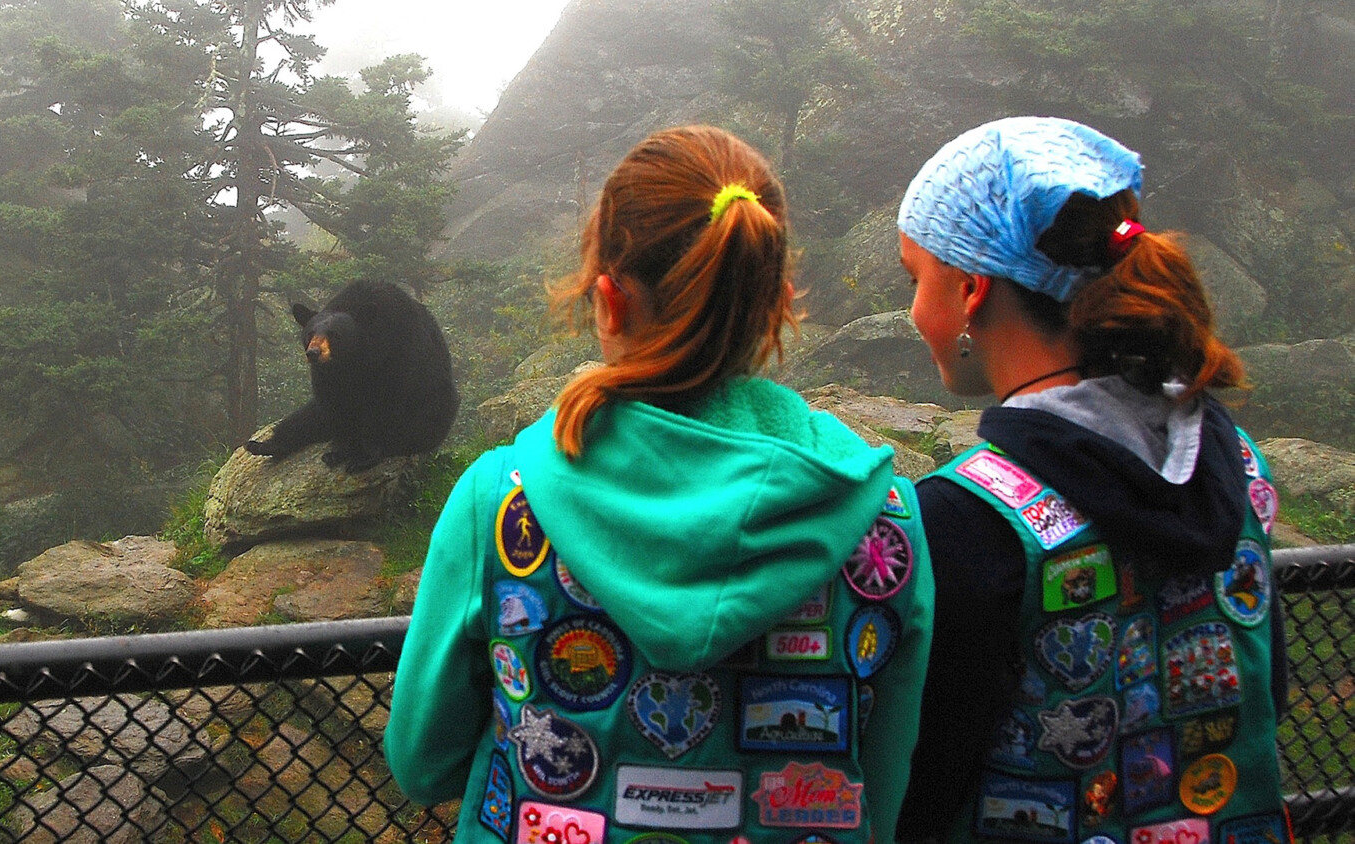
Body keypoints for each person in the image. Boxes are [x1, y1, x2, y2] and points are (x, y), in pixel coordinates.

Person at [386, 124, 934, 844]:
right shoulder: (883, 516)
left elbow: (421, 765)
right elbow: (887, 782)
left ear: (609, 299)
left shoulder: (501, 501)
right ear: (774, 301)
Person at [892, 116, 1290, 844]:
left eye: (918, 279)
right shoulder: (1238, 463)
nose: (914, 309)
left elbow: (925, 781)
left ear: (972, 290)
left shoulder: (964, 518)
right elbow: (1268, 692)